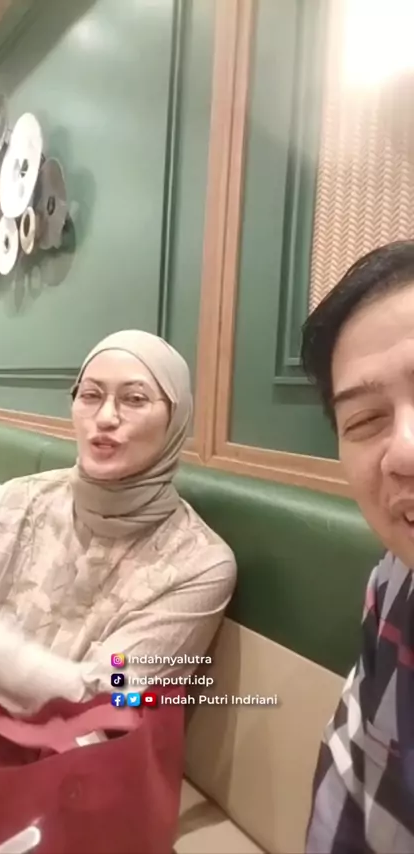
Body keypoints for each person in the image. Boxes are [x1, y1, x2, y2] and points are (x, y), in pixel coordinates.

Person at [0, 329, 236, 852]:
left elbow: (103, 697)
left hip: (76, 763)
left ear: (176, 420)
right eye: (91, 395)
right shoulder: (15, 505)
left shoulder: (200, 563)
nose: (106, 417)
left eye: (134, 399)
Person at [301, 242, 414, 852]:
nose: (405, 453)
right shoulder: (394, 584)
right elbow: (349, 799)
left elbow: (125, 684)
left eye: (136, 398)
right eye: (366, 421)